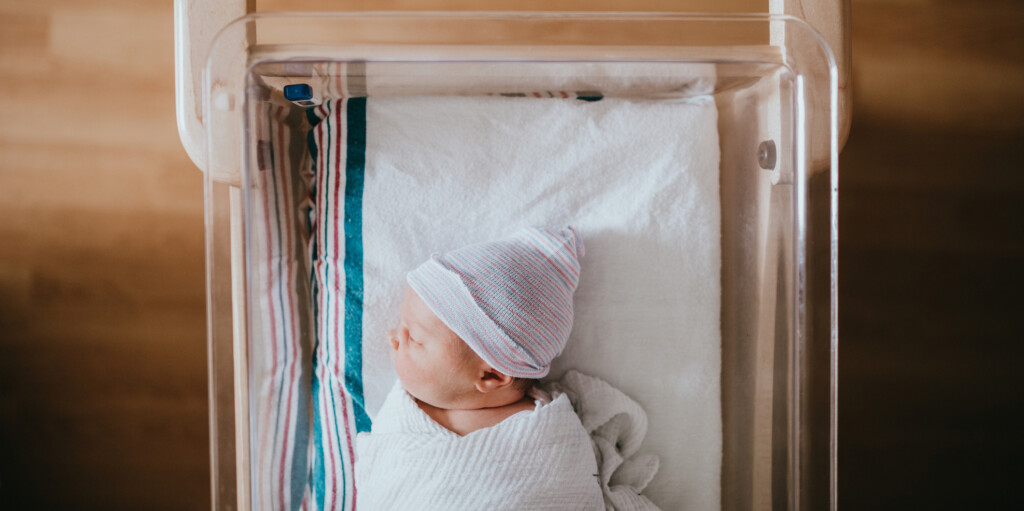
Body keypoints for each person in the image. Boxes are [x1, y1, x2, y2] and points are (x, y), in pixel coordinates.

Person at [355, 226, 605, 510]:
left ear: (491, 375)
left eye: (414, 337)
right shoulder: (403, 417)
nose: (393, 337)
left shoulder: (552, 440)